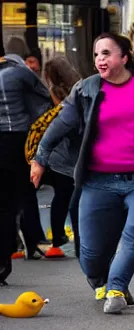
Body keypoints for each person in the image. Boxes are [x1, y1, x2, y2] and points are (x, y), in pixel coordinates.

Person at [31, 33, 134, 313]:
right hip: (98, 182)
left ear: (124, 57)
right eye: (97, 54)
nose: (100, 60)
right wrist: (40, 159)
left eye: (107, 53)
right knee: (91, 255)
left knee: (133, 238)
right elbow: (60, 125)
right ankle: (104, 280)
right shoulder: (86, 90)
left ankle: (117, 289)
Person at [0, 37, 51, 286]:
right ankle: (29, 241)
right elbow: (44, 102)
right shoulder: (20, 73)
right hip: (19, 138)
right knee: (24, 192)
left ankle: (8, 251)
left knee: (4, 201)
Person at [28, 56, 82, 258]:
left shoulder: (52, 94)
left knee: (61, 196)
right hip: (74, 152)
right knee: (71, 196)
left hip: (57, 154)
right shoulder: (79, 89)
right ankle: (75, 239)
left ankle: (58, 237)